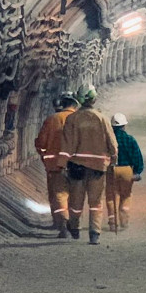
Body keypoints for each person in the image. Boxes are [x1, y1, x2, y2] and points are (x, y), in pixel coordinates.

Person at [59, 85, 117, 244]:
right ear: (94, 99)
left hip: (76, 166)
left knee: (76, 201)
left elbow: (66, 145)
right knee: (96, 202)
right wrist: (113, 160)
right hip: (98, 167)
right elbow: (112, 143)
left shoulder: (72, 119)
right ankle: (94, 233)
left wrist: (62, 164)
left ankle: (75, 228)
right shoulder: (102, 118)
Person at [35, 93, 78, 237]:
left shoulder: (52, 120)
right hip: (77, 165)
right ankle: (73, 223)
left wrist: (44, 156)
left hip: (55, 166)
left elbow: (41, 143)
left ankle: (63, 224)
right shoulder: (81, 120)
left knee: (59, 195)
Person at [105, 113, 143, 232]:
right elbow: (137, 157)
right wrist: (137, 171)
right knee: (126, 195)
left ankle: (112, 222)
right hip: (126, 170)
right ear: (124, 126)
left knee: (111, 196)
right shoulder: (130, 139)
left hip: (111, 169)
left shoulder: (106, 140)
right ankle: (124, 221)